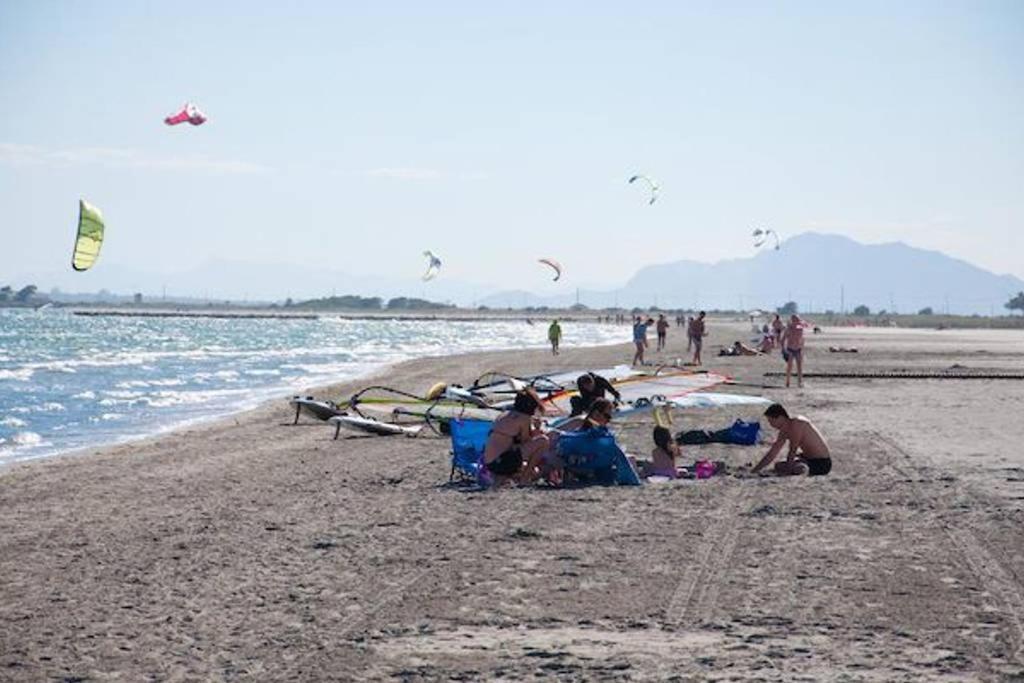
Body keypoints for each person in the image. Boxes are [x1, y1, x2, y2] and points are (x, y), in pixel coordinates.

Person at [482, 390, 551, 486]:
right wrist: (537, 429)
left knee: (534, 471)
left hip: (489, 463)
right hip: (501, 462)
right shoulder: (524, 418)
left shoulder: (503, 415)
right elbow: (525, 441)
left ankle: (503, 479)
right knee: (543, 441)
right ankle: (524, 479)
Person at [751, 403, 832, 476]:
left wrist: (788, 469)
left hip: (822, 462)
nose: (771, 424)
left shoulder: (797, 423)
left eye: (771, 421)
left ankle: (802, 470)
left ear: (780, 417)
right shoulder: (784, 431)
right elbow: (773, 452)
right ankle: (798, 468)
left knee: (798, 468)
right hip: (807, 458)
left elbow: (793, 449)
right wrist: (756, 469)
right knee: (778, 465)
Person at [780, 314, 810, 388]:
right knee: (790, 366)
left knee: (799, 366)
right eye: (796, 320)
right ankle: (788, 382)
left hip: (798, 349)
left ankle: (800, 382)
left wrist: (802, 322)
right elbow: (783, 340)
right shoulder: (788, 329)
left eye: (798, 320)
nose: (797, 322)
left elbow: (807, 325)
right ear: (792, 321)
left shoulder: (800, 327)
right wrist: (783, 349)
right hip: (790, 349)